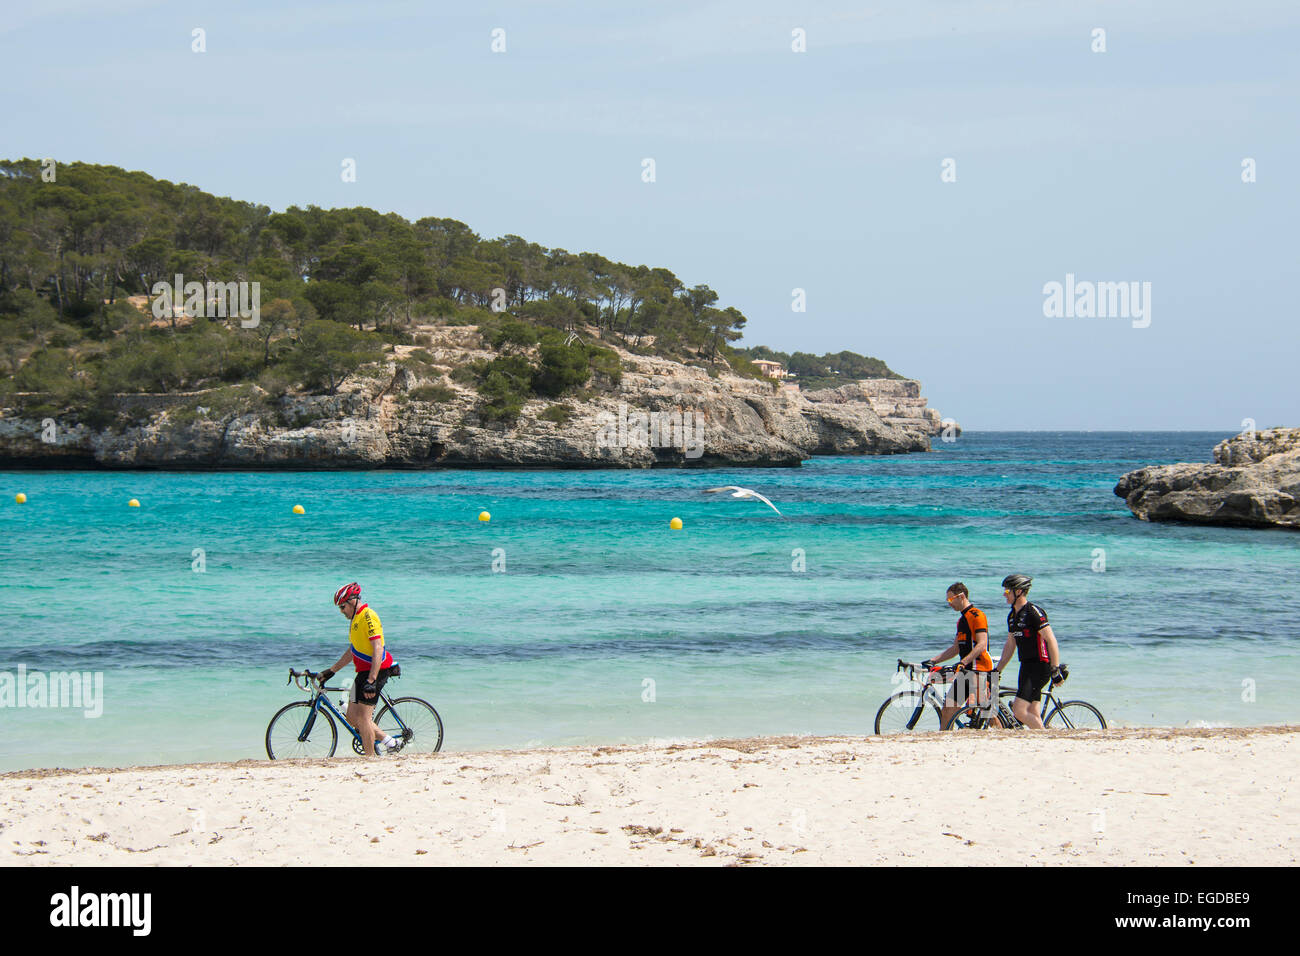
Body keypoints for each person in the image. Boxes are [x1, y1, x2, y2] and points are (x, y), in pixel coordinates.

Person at [318, 582, 401, 757]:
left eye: (342, 606)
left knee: (364, 719)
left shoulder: (368, 616)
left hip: (376, 672)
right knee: (351, 717)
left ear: (353, 601)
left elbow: (378, 648)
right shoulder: (355, 620)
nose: (341, 611)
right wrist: (332, 671)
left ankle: (370, 759)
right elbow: (352, 650)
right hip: (361, 673)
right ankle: (390, 742)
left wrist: (371, 680)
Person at [993, 573, 1065, 729]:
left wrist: (1055, 667)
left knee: (1019, 710)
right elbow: (1010, 645)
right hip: (1025, 665)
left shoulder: (1033, 612)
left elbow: (1051, 639)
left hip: (1040, 666)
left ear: (1018, 591)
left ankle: (1046, 739)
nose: (1004, 594)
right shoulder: (1012, 615)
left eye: (1007, 591)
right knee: (1032, 712)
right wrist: (998, 669)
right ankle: (1042, 740)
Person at [923, 583, 997, 728]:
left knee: (988, 714)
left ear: (961, 596)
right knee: (947, 711)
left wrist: (964, 661)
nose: (949, 604)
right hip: (965, 671)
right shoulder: (961, 620)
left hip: (980, 670)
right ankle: (944, 742)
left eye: (950, 600)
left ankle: (1004, 737)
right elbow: (956, 648)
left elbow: (982, 644)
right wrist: (933, 660)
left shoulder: (977, 615)